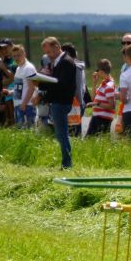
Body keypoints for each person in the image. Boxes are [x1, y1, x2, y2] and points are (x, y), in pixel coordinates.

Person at [38, 37, 77, 169]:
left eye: (49, 52)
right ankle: (66, 163)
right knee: (60, 134)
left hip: (61, 102)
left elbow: (61, 84)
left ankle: (67, 164)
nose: (48, 55)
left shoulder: (66, 62)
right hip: (57, 101)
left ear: (56, 47)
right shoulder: (57, 62)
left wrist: (42, 82)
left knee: (62, 134)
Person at [60, 43, 86, 137]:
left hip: (75, 103)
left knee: (73, 131)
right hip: (77, 102)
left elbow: (78, 87)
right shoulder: (78, 66)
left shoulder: (76, 67)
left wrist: (79, 102)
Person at [86, 59, 117, 137]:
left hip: (103, 119)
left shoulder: (109, 86)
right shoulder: (103, 84)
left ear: (101, 72)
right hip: (97, 117)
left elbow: (112, 106)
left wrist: (96, 103)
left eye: (97, 70)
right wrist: (94, 83)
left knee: (93, 140)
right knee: (90, 141)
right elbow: (93, 98)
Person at [11, 44, 38, 129]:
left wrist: (24, 104)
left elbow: (32, 87)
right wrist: (10, 92)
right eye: (14, 56)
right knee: (21, 133)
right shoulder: (19, 68)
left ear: (24, 54)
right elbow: (19, 86)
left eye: (18, 55)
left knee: (29, 132)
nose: (16, 58)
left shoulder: (29, 68)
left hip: (27, 105)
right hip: (18, 104)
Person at [0, 39, 16, 126]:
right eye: (2, 48)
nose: (4, 50)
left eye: (6, 47)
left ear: (11, 46)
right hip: (5, 93)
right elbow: (4, 77)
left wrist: (3, 68)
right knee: (8, 120)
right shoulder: (4, 60)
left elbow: (13, 78)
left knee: (13, 119)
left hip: (14, 93)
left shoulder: (15, 60)